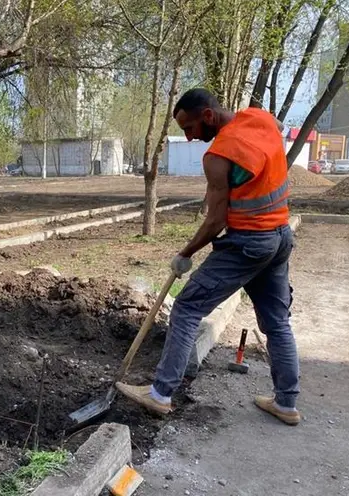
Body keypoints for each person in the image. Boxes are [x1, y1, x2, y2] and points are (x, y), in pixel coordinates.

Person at [117, 88, 300, 426]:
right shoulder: (261, 119)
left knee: (187, 309)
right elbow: (254, 166)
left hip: (248, 244)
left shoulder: (218, 155)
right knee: (276, 321)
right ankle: (286, 403)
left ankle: (160, 394)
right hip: (280, 236)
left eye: (190, 128)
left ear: (209, 115)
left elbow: (216, 221)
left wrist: (185, 253)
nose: (189, 138)